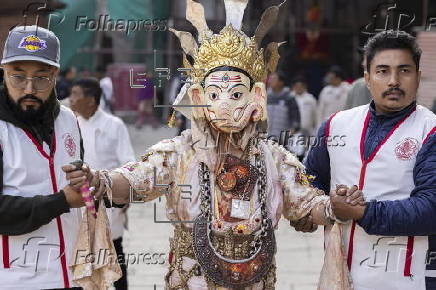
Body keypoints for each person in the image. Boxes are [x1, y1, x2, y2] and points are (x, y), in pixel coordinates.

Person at [63, 1, 363, 288]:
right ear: (198, 99)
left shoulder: (274, 158)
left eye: (236, 95)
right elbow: (135, 180)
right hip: (191, 281)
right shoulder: (179, 152)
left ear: (256, 98)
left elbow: (307, 206)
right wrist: (99, 180)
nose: (224, 107)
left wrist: (334, 207)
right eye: (215, 95)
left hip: (256, 281)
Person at [305, 30, 436, 289]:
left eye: (404, 71)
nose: (393, 81)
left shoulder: (429, 130)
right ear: (367, 78)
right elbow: (308, 185)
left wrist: (363, 211)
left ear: (418, 77)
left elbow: (431, 208)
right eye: (383, 71)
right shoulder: (335, 126)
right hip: (340, 278)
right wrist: (328, 204)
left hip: (406, 279)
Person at [0, 25, 85, 289]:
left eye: (41, 77)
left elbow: (79, 186)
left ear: (55, 74)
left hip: (71, 274)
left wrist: (87, 181)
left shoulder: (68, 119)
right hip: (15, 279)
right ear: (3, 72)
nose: (29, 88)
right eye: (18, 77)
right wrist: (61, 201)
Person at [69, 77, 135, 290]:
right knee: (81, 253)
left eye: (75, 94)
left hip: (108, 199)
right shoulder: (71, 124)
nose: (70, 99)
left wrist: (124, 196)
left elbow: (128, 163)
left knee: (114, 249)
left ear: (91, 100)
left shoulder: (113, 125)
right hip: (78, 201)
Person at [266, 71, 301, 140]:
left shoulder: (289, 97)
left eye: (274, 79)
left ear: (281, 82)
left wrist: (293, 130)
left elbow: (295, 117)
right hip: (266, 136)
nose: (271, 81)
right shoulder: (266, 96)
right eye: (271, 79)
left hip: (282, 138)